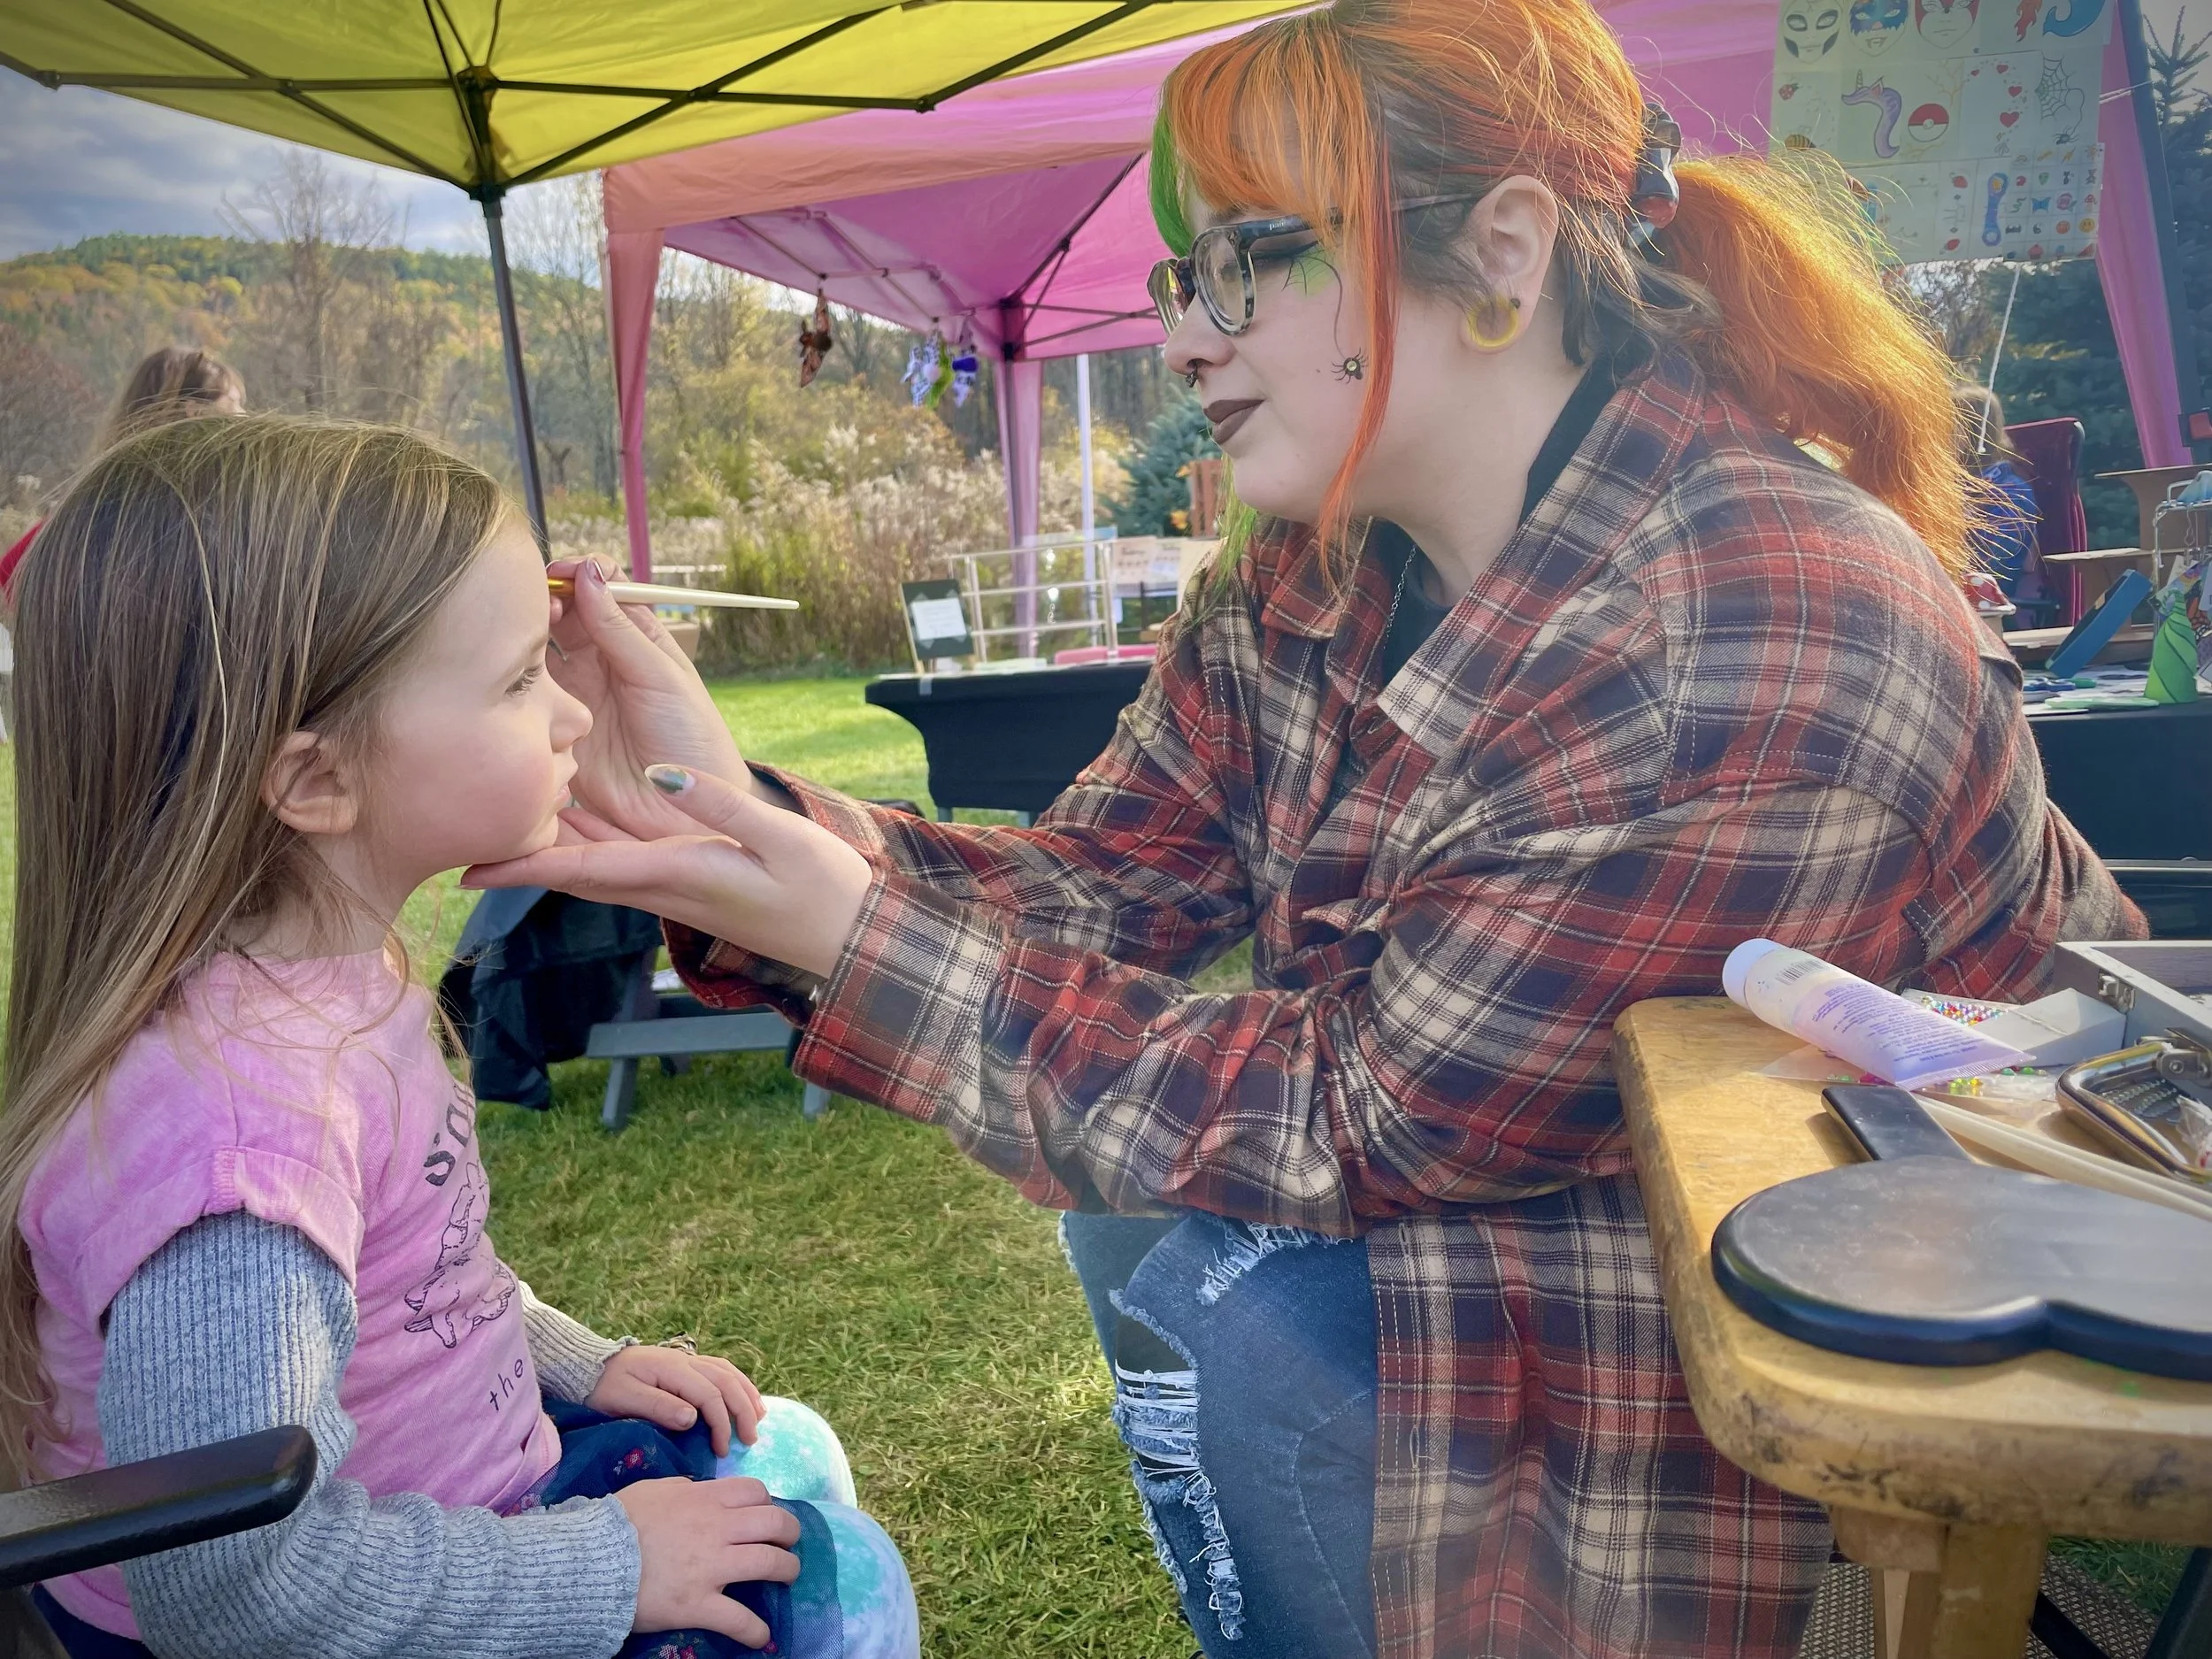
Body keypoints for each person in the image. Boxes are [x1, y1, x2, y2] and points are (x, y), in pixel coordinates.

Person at [468, 1, 2143, 1655]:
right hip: (1554, 1212)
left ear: (1502, 251)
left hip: (1833, 1357)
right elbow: (1110, 881)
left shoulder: (1744, 627)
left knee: (1248, 1314)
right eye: (1184, 277)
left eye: (1251, 259)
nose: (1187, 338)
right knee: (1176, 1254)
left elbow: (1358, 1118)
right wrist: (725, 809)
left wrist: (846, 931)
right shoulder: (1322, 558)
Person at [0, 417, 918, 1659]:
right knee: (843, 1590)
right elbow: (231, 1588)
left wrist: (577, 1361)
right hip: (379, 1600)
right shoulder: (238, 1146)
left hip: (467, 1518)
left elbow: (410, 1277)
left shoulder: (329, 981)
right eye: (519, 678)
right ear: (314, 780)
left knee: (783, 1446)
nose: (571, 719)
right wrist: (603, 1564)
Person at [0, 346, 248, 600]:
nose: (244, 416)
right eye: (234, 402)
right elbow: (11, 573)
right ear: (194, 411)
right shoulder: (177, 501)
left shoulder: (106, 488)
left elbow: (10, 573)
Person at [1955, 380, 2043, 603]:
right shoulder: (1944, 487)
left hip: (1986, 609)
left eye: (1947, 427)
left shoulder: (2011, 492)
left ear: (1972, 432)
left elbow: (1994, 566)